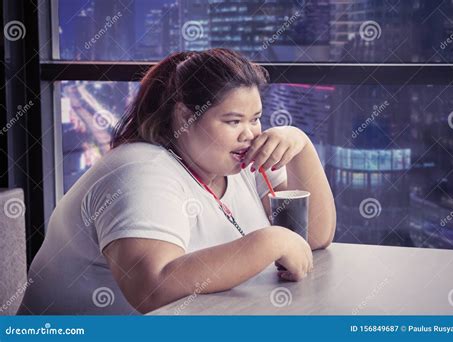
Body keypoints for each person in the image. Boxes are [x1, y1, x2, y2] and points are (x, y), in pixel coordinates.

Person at [19, 48, 336, 315]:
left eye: (255, 118)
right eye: (233, 121)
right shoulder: (141, 169)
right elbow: (151, 289)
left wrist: (300, 145)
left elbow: (313, 237)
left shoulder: (236, 160)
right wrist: (269, 242)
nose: (250, 133)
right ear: (185, 117)